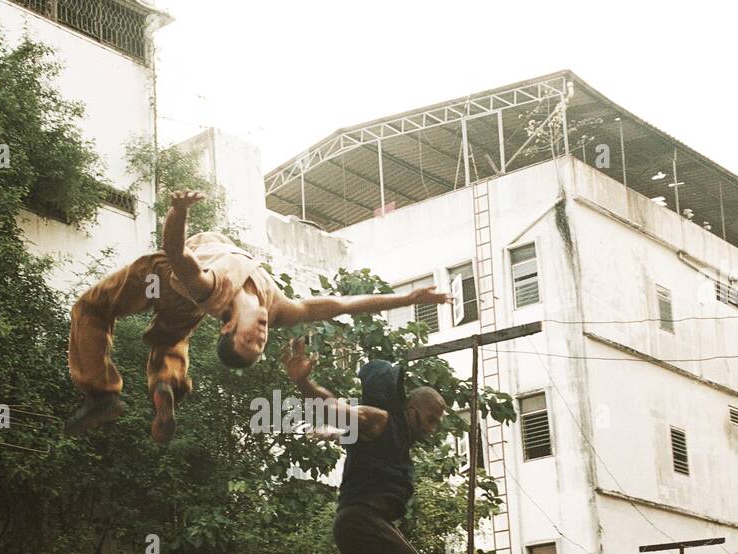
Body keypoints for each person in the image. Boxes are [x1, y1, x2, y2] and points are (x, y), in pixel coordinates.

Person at [65, 190, 450, 443]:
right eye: (260, 345)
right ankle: (162, 387)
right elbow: (340, 306)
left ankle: (101, 393)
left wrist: (178, 211)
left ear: (229, 326)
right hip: (178, 298)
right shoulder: (276, 305)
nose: (262, 336)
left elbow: (177, 254)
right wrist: (405, 299)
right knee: (168, 341)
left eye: (249, 340)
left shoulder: (212, 289)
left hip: (166, 279)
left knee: (92, 309)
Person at [283, 338, 448, 554]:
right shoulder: (382, 419)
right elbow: (336, 409)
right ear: (412, 408)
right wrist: (303, 383)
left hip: (371, 525)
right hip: (359, 521)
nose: (431, 430)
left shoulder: (400, 440)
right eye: (430, 420)